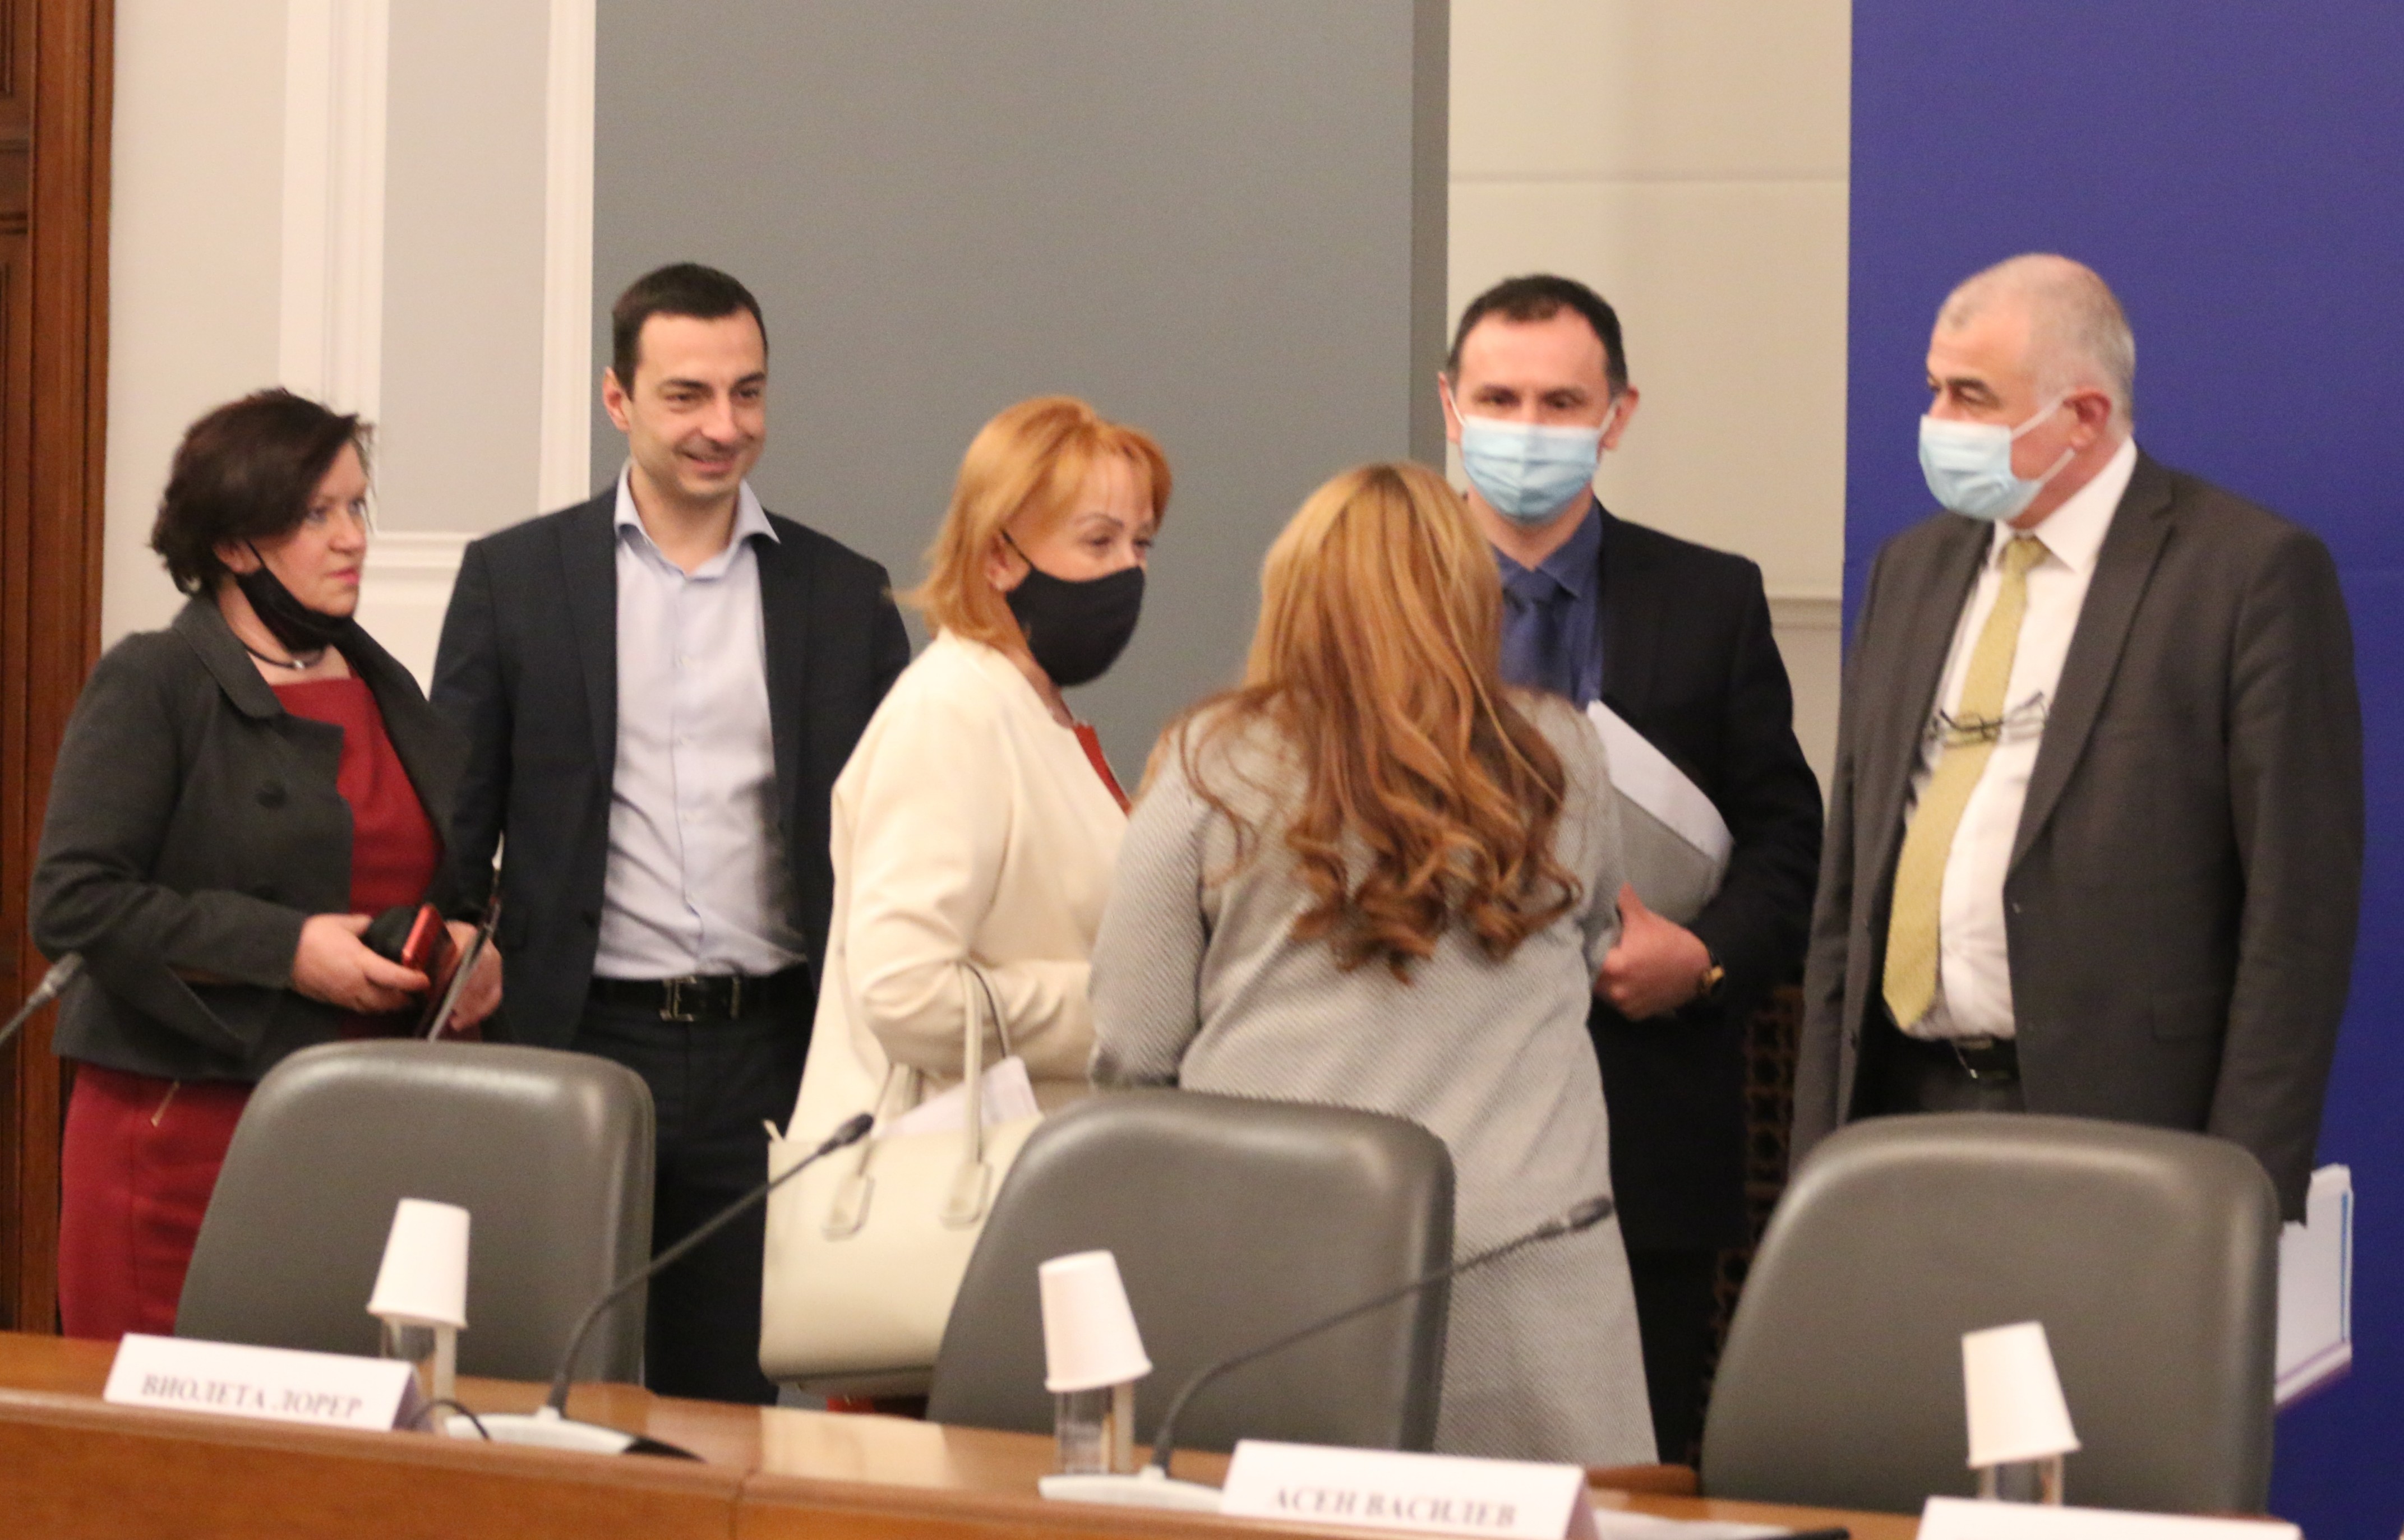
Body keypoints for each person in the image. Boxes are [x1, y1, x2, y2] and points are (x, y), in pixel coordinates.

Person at [1091, 461, 1654, 1465]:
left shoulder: (1211, 763)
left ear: (1295, 592)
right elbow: (1593, 941)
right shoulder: (1562, 756)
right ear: (1469, 595)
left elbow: (1135, 1046)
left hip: (1284, 1273)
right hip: (1531, 1278)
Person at [1792, 254, 2362, 1220]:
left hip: (2125, 1132)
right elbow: (1847, 886)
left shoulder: (2246, 575)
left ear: (2085, 417)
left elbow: (2297, 919)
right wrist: (1818, 1150)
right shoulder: (1909, 571)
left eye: (1972, 396)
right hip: (1896, 1112)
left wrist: (2241, 1193)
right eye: (1934, 388)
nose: (1938, 421)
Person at [431, 263, 910, 1403]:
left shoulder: (844, 596)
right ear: (619, 400)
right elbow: (457, 818)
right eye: (687, 395)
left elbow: (895, 833)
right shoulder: (515, 580)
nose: (722, 427)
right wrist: (454, 934)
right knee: (544, 1381)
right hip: (577, 1036)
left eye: (747, 393)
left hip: (771, 1052)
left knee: (727, 1399)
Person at [1439, 274, 1822, 1458]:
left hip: (1640, 1134)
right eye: (1499, 399)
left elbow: (1788, 844)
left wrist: (1703, 960)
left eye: (1562, 402)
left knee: (1636, 1476)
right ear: (1449, 407)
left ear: (1618, 414)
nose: (1528, 428)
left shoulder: (1710, 598)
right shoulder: (1376, 593)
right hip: (1427, 1129)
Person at [32, 389, 500, 1341]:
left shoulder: (385, 685)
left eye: (356, 505)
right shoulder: (156, 680)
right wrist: (289, 951)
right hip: (183, 1146)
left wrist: (476, 945)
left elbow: (450, 875)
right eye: (315, 515)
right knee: (166, 1431)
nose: (353, 537)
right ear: (234, 544)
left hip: (371, 1138)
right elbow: (73, 901)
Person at [783, 395, 1168, 1154]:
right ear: (998, 557)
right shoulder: (952, 710)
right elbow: (904, 994)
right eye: (1099, 541)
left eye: (1142, 544)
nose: (1129, 570)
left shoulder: (1031, 711)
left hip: (1022, 1167)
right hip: (936, 1181)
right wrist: (1115, 1010)